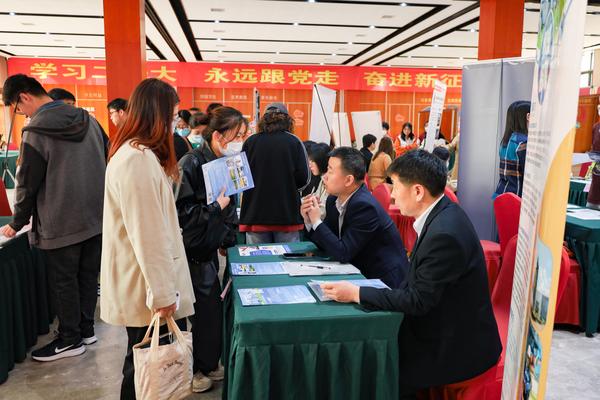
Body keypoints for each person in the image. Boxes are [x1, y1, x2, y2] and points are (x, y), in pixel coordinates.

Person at [321, 150, 502, 398]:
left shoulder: (444, 235)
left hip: (457, 345)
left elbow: (417, 300)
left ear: (418, 191)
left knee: (380, 366)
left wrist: (356, 293)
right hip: (443, 321)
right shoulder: (442, 212)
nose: (392, 195)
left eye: (395, 186)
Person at [100, 78, 195, 400]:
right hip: (146, 287)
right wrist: (164, 293)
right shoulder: (137, 160)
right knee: (147, 366)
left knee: (144, 362)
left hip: (144, 282)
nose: (174, 124)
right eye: (172, 116)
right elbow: (147, 234)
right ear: (157, 114)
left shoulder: (136, 154)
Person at [1, 74, 106, 361]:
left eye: (19, 109)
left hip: (60, 222)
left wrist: (17, 222)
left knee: (63, 282)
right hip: (95, 217)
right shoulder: (89, 120)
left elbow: (27, 183)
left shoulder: (36, 131)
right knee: (87, 277)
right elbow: (108, 157)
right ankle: (86, 330)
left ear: (24, 97)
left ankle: (70, 339)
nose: (23, 115)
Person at [176, 106, 246, 393]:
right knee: (196, 312)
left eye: (243, 135)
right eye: (237, 136)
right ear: (218, 135)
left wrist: (227, 238)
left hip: (210, 246)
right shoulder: (191, 162)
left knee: (210, 311)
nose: (240, 141)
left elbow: (231, 206)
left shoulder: (228, 162)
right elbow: (182, 213)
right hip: (191, 249)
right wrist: (216, 207)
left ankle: (207, 362)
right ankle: (193, 370)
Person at [301, 147, 409, 288]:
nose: (324, 176)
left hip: (383, 280)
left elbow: (343, 252)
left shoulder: (364, 206)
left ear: (348, 180)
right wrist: (309, 221)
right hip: (356, 270)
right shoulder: (333, 200)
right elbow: (328, 243)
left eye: (330, 171)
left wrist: (316, 221)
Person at [239, 102, 310, 244]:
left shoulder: (250, 142)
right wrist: (289, 187)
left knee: (259, 257)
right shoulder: (294, 141)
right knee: (288, 256)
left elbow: (241, 177)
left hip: (255, 214)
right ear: (288, 120)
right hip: (286, 213)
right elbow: (304, 178)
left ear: (263, 120)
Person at [494, 101, 531, 198]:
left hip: (501, 195)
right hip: (516, 198)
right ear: (528, 116)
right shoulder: (523, 142)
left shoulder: (506, 140)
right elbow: (530, 175)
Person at [307, 142, 330, 218]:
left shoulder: (330, 181)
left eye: (312, 161)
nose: (309, 165)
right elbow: (315, 197)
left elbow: (322, 212)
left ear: (321, 161)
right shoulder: (322, 178)